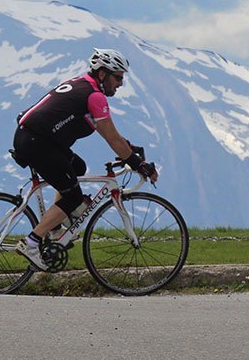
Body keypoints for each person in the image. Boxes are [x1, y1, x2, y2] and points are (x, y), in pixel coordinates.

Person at [10, 48, 158, 270]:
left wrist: (130, 149)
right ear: (102, 74)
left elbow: (109, 132)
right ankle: (31, 242)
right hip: (38, 143)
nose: (120, 83)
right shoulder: (95, 96)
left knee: (77, 167)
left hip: (33, 138)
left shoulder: (83, 85)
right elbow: (112, 139)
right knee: (72, 197)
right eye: (117, 77)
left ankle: (55, 226)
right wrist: (139, 164)